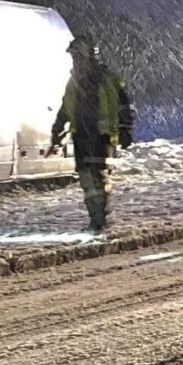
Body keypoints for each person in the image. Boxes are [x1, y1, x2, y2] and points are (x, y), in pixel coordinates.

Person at [48, 34, 134, 233]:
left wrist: (125, 129)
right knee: (86, 180)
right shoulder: (74, 81)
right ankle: (95, 218)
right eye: (74, 58)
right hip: (81, 136)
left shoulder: (107, 78)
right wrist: (58, 128)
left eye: (78, 57)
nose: (76, 61)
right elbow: (66, 106)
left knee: (99, 177)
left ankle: (102, 218)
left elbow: (124, 105)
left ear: (89, 57)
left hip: (101, 136)